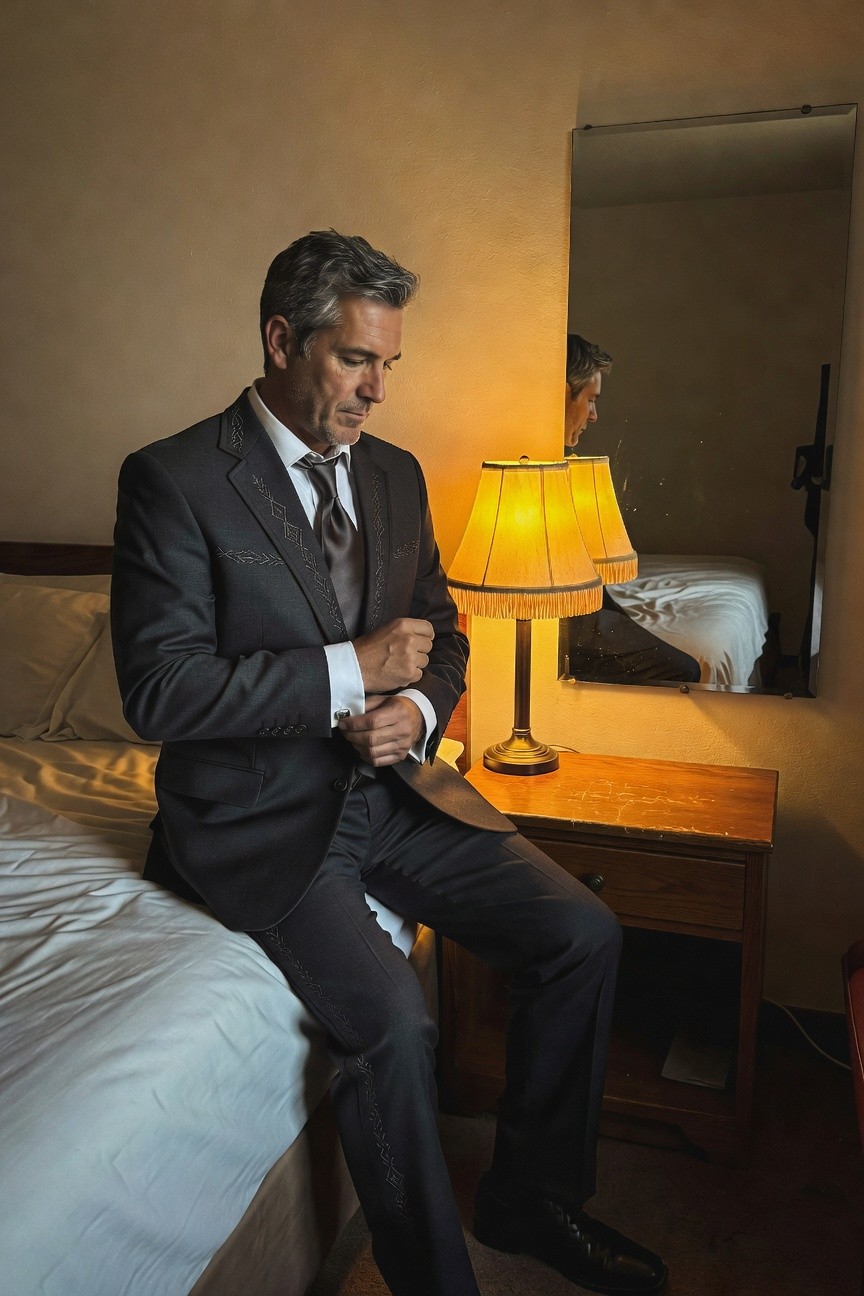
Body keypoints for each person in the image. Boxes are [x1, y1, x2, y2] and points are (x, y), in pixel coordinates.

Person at [111, 231, 667, 1296]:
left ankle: (533, 1196)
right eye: (355, 360)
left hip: (395, 793)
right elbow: (159, 691)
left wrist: (412, 706)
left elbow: (443, 632)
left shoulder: (398, 478)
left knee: (581, 933)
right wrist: (344, 673)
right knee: (397, 1028)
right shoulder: (174, 481)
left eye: (388, 365)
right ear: (282, 341)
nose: (376, 389)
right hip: (259, 817)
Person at [564, 334, 701, 686]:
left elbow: (593, 580)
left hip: (587, 616)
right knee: (686, 671)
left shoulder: (568, 465)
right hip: (568, 629)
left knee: (686, 667)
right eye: (590, 401)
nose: (593, 416)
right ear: (566, 394)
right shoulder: (538, 470)